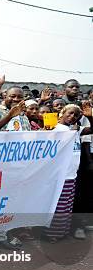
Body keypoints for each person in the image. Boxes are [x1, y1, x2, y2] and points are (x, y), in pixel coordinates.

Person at [45, 104, 92, 243]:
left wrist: (90, 117)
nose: (72, 117)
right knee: (58, 206)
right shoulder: (55, 129)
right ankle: (51, 233)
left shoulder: (75, 129)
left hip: (72, 174)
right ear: (62, 113)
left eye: (76, 115)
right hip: (60, 174)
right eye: (70, 113)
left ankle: (62, 231)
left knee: (67, 205)